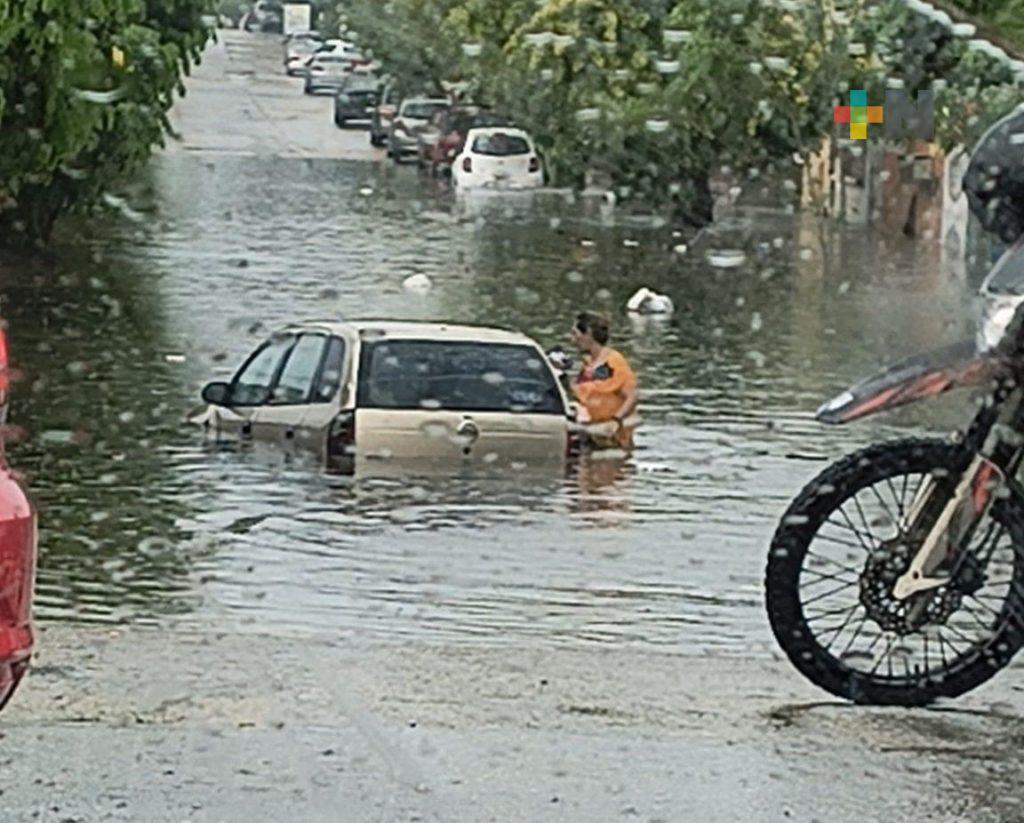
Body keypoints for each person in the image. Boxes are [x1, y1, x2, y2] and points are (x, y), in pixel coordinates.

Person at [570, 311, 638, 450]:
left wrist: (615, 420)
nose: (572, 340)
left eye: (575, 334)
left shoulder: (613, 361)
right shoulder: (588, 365)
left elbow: (632, 396)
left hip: (613, 438)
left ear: (588, 333)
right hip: (592, 434)